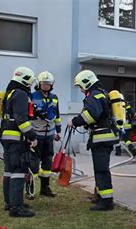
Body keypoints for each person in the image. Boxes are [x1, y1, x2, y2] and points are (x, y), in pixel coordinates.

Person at [68, 70, 118, 211]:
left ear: (86, 82)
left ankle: (106, 202)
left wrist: (75, 121)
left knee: (101, 170)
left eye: (81, 86)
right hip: (104, 137)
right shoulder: (100, 93)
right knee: (100, 169)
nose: (81, 90)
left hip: (102, 138)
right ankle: (100, 197)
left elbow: (91, 115)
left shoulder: (94, 95)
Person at [0, 66, 37, 217]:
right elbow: (21, 119)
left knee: (9, 170)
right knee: (18, 171)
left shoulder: (10, 93)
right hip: (16, 139)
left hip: (6, 137)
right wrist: (32, 136)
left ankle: (10, 202)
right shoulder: (21, 94)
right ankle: (16, 208)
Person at [27, 71, 61, 199]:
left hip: (49, 135)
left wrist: (58, 132)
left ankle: (45, 188)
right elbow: (28, 115)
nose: (46, 86)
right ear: (39, 84)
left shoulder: (55, 97)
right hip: (36, 135)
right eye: (44, 83)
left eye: (48, 84)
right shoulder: (32, 96)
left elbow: (57, 116)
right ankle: (29, 190)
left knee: (47, 163)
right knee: (33, 164)